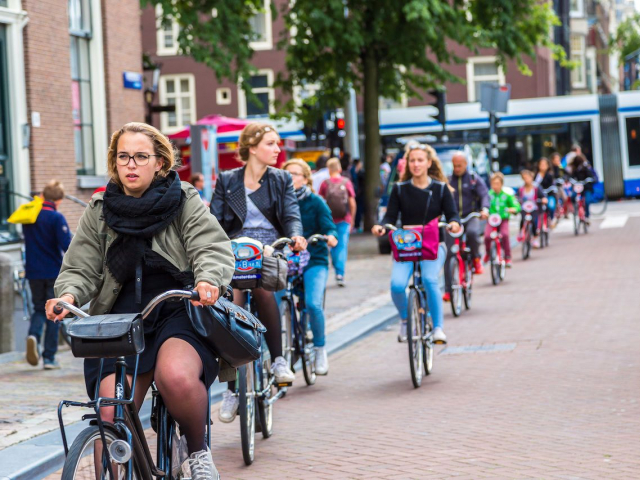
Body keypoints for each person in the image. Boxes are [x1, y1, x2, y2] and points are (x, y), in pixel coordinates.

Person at [46, 122, 234, 478]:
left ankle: (197, 453)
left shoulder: (183, 200)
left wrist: (208, 279)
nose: (130, 165)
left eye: (140, 157)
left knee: (175, 377)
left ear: (160, 162)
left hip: (178, 308)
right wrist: (67, 294)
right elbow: (81, 265)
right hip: (120, 321)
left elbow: (210, 246)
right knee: (108, 411)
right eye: (123, 157)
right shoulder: (101, 208)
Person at [211, 123, 307, 423]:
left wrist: (296, 236)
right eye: (271, 144)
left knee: (263, 287)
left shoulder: (280, 179)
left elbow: (291, 214)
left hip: (268, 248)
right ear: (252, 147)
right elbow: (214, 221)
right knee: (232, 309)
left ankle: (278, 360)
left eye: (277, 144)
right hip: (235, 249)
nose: (278, 150)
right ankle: (231, 389)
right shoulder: (227, 180)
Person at [372, 144, 460, 344]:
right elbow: (390, 217)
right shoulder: (400, 189)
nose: (416, 164)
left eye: (420, 160)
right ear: (407, 164)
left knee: (430, 280)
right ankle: (405, 319)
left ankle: (438, 328)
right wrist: (381, 227)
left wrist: (454, 223)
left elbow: (452, 214)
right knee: (396, 286)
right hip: (407, 247)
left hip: (433, 245)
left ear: (429, 163)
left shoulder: (440, 188)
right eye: (412, 160)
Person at [283, 159, 338, 375]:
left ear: (306, 179)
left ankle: (319, 349)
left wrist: (331, 237)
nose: (290, 179)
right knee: (273, 302)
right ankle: (276, 354)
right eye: (286, 174)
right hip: (287, 261)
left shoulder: (316, 202)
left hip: (314, 259)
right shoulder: (278, 202)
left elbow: (330, 228)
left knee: (314, 304)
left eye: (295, 174)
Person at [24, 180, 72, 370]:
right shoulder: (56, 218)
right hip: (52, 271)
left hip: (33, 271)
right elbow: (66, 246)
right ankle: (49, 358)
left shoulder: (29, 216)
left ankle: (33, 336)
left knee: (38, 308)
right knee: (54, 313)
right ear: (58, 200)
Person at [444, 152, 489, 302]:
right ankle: (448, 291)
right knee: (449, 254)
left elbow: (484, 195)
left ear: (465, 164)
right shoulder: (448, 181)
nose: (457, 168)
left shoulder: (473, 179)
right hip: (453, 220)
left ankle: (476, 259)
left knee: (473, 233)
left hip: (471, 215)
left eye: (459, 165)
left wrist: (485, 209)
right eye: (454, 165)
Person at [318, 158, 356, 287]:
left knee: (331, 244)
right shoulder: (346, 182)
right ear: (339, 169)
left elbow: (320, 203)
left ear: (329, 170)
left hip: (329, 220)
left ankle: (336, 265)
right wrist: (352, 220)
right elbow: (352, 203)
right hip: (344, 220)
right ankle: (340, 273)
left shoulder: (325, 183)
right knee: (341, 246)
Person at [483, 172, 520, 268]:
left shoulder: (507, 195)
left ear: (501, 184)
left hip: (503, 219)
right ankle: (488, 253)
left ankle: (507, 256)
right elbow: (483, 204)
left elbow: (515, 205)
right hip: (491, 220)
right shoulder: (488, 195)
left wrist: (513, 209)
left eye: (497, 184)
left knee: (505, 235)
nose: (495, 186)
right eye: (493, 184)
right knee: (487, 236)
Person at [517, 169, 547, 248]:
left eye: (527, 178)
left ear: (531, 177)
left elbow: (543, 196)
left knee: (534, 221)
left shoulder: (536, 187)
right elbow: (517, 197)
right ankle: (521, 232)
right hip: (525, 208)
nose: (526, 180)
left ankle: (534, 237)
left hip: (535, 208)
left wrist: (543, 199)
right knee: (523, 219)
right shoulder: (521, 189)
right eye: (524, 178)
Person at [570, 153, 597, 222]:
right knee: (573, 196)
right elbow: (571, 177)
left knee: (587, 201)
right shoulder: (574, 169)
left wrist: (590, 180)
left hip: (586, 188)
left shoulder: (586, 167)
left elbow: (591, 176)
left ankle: (587, 215)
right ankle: (575, 209)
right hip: (578, 188)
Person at [534, 157, 556, 225]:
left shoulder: (550, 175)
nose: (543, 166)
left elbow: (553, 185)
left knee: (551, 206)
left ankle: (551, 218)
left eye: (544, 164)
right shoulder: (536, 175)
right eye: (541, 164)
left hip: (549, 194)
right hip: (539, 196)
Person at [350, 158, 365, 231]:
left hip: (356, 194)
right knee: (357, 209)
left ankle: (356, 225)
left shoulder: (353, 171)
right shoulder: (355, 172)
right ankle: (356, 225)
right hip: (357, 194)